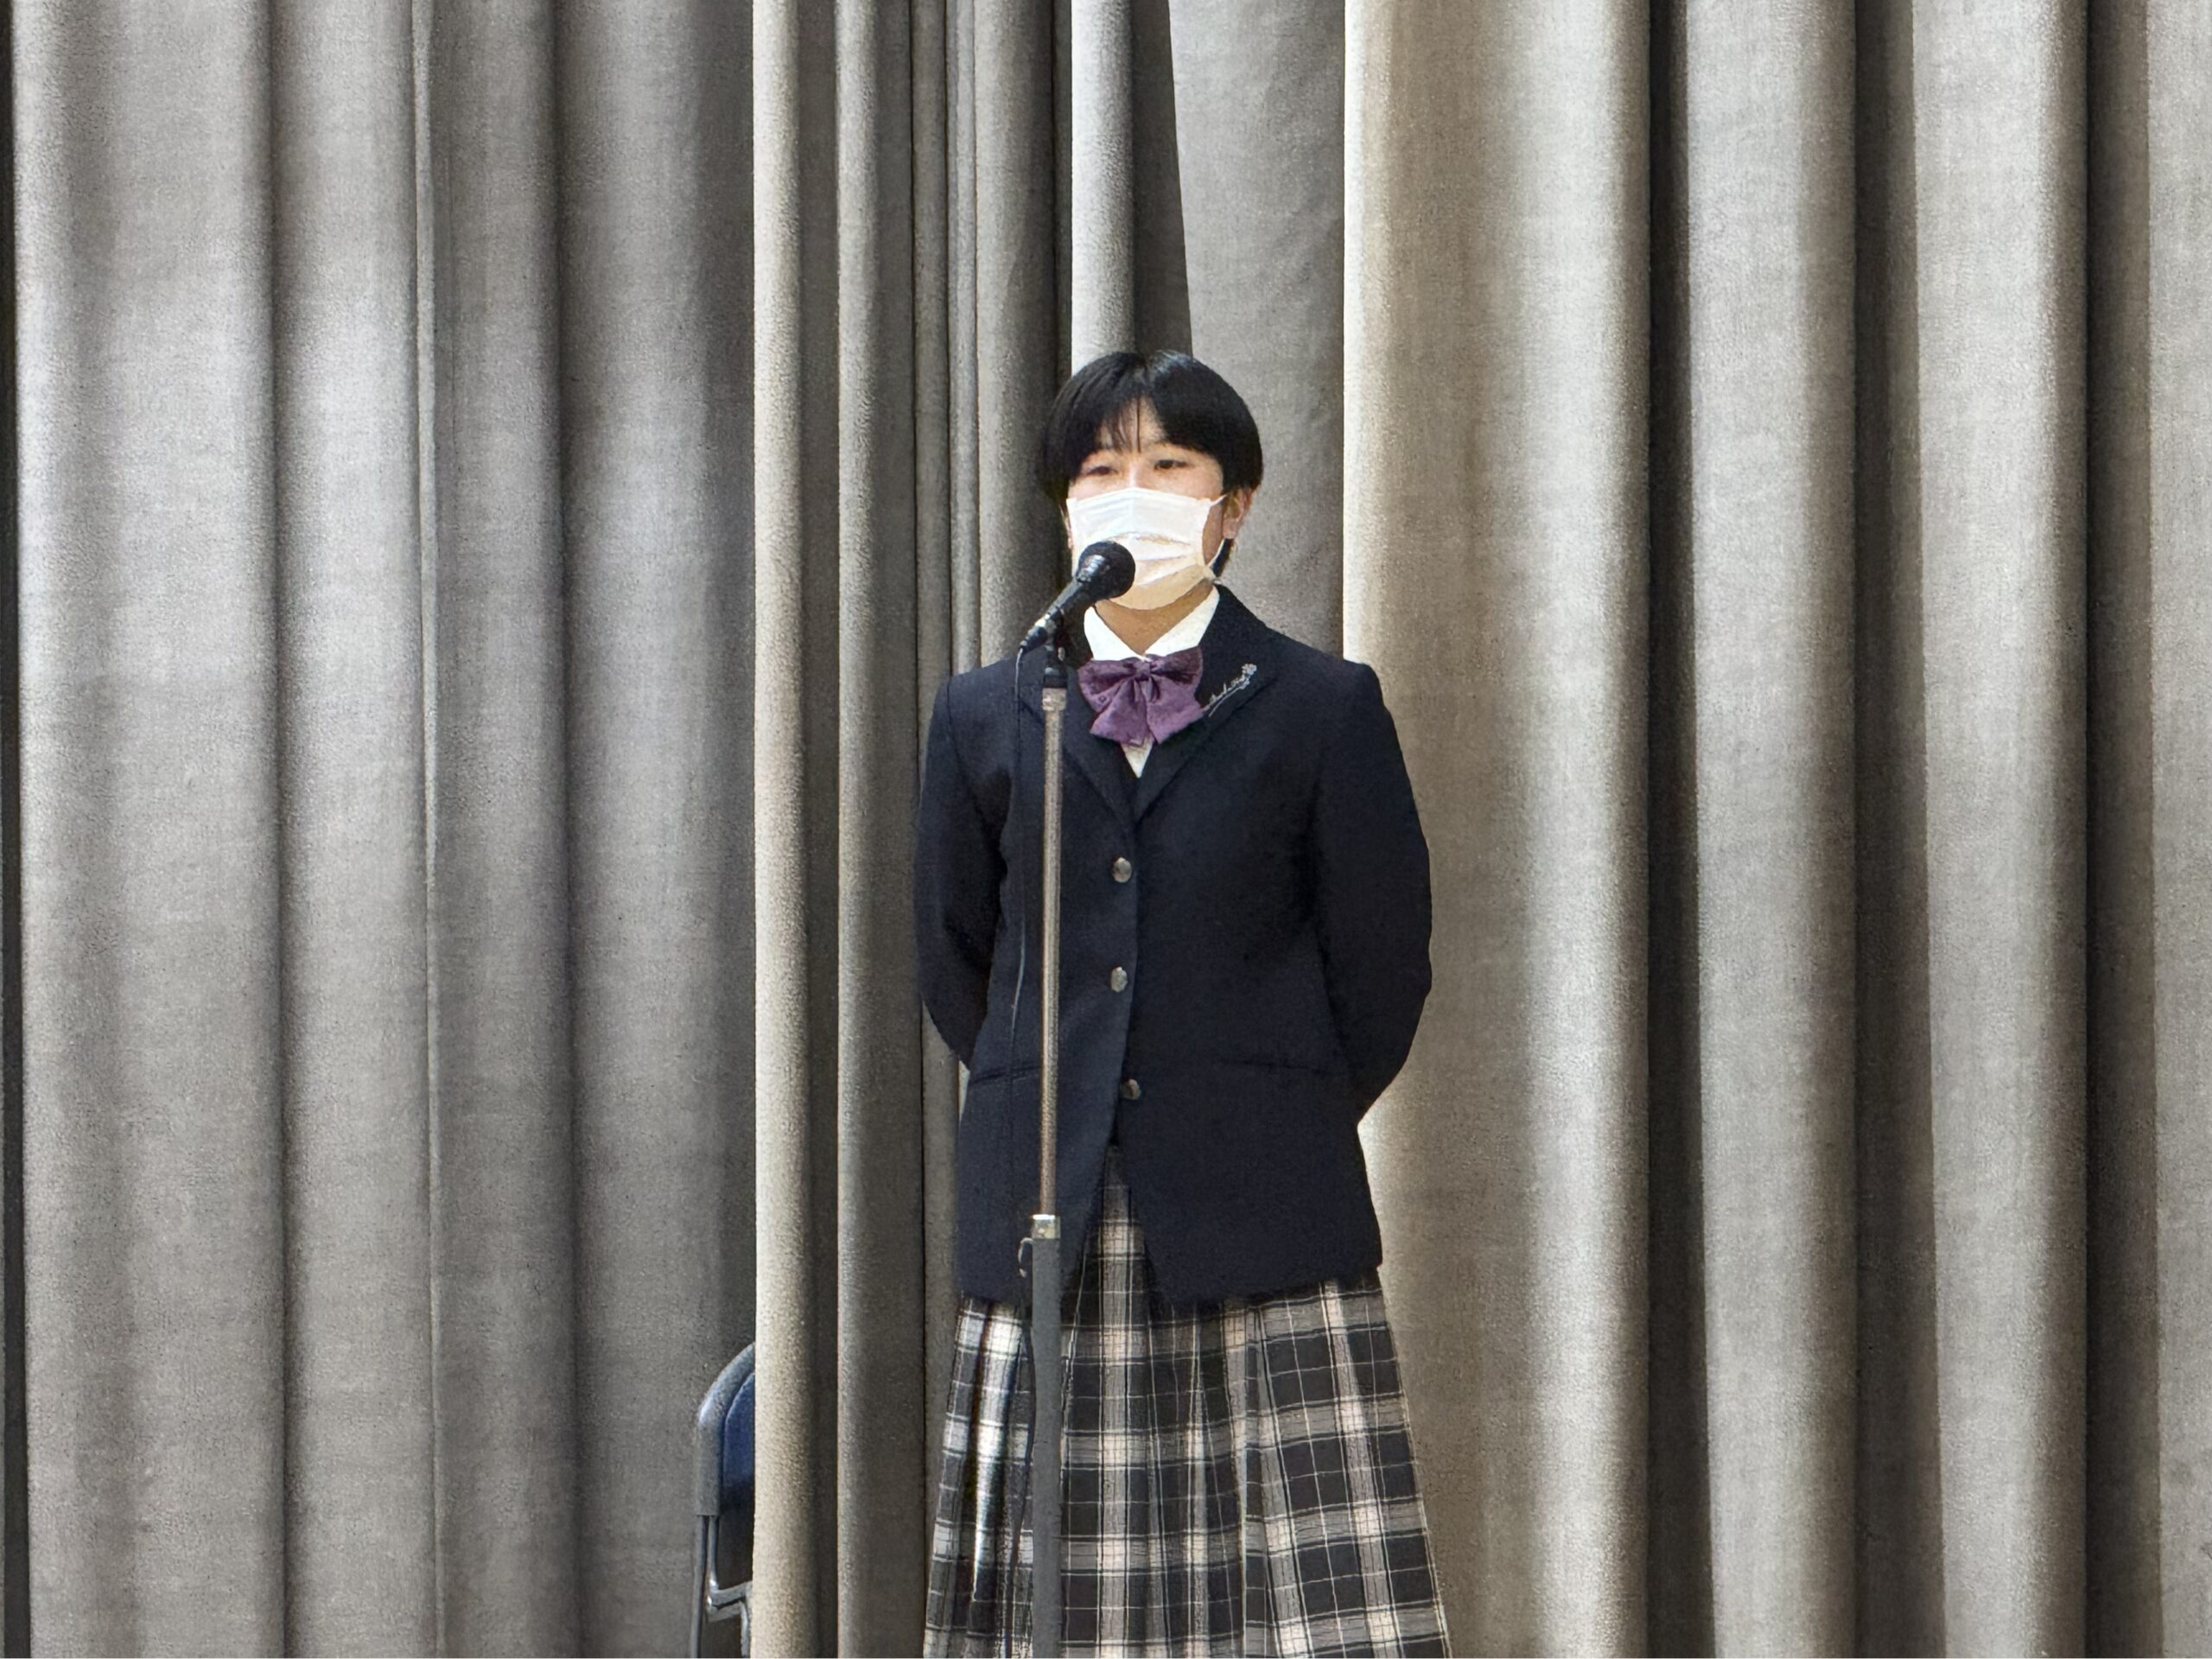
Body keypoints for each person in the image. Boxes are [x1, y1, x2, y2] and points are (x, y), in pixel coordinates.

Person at [913, 349, 1448, 1656]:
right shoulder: (988, 712)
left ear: (1234, 504)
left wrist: (1261, 1101)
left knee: (1294, 1601)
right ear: (1064, 509)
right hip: (1054, 1196)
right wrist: (1080, 1085)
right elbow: (956, 958)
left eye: (1168, 466)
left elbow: (1382, 970)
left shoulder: (1323, 705)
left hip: (1262, 1202)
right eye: (1101, 471)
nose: (1132, 494)